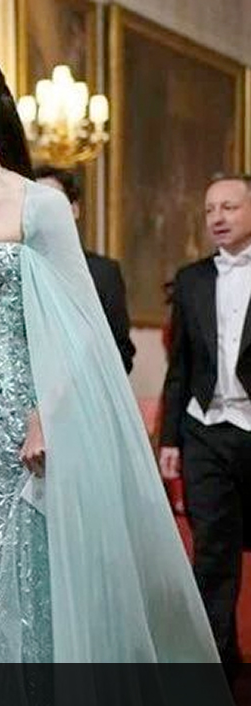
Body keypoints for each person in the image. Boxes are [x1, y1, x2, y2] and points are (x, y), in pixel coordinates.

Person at [0, 51, 223, 681]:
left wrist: (45, 415)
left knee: (14, 578)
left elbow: (83, 327)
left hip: (14, 421)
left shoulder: (39, 207)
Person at [159, 173, 251, 683]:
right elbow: (180, 367)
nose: (217, 217)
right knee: (213, 549)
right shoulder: (192, 279)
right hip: (204, 429)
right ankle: (214, 663)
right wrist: (170, 438)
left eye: (229, 207)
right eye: (211, 209)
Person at [33, 166, 136, 373]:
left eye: (52, 203)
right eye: (36, 203)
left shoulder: (104, 273)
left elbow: (121, 351)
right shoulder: (17, 268)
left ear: (74, 210)